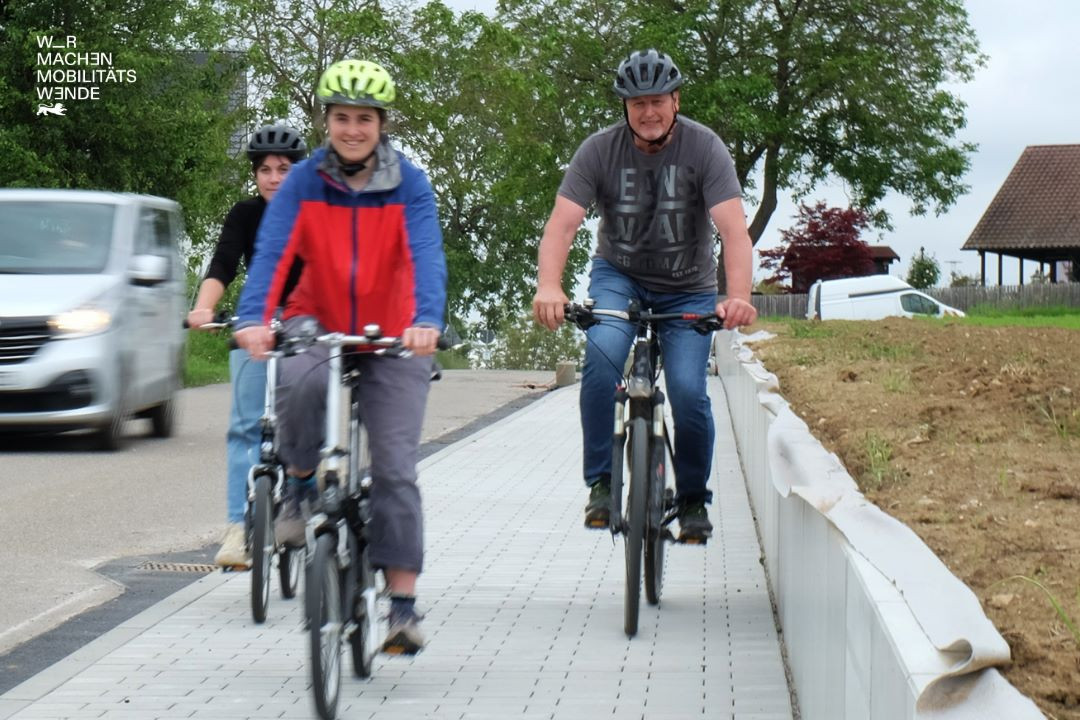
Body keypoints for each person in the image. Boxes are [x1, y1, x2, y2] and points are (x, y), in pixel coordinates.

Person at [234, 59, 447, 655]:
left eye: (364, 119)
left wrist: (428, 321)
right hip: (317, 318)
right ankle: (300, 487)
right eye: (341, 118)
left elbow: (428, 256)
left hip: (395, 329)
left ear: (381, 124)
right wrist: (254, 317)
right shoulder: (303, 181)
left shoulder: (409, 183)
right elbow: (274, 251)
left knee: (396, 469)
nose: (352, 129)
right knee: (297, 384)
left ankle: (400, 603)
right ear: (327, 121)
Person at [532, 49, 758, 543]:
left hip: (687, 289)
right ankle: (602, 485)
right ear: (625, 107)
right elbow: (563, 223)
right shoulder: (598, 150)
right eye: (638, 104)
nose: (649, 112)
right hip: (620, 277)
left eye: (658, 101)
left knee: (687, 390)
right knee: (603, 363)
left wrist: (737, 295)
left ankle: (694, 496)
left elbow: (734, 232)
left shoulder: (706, 149)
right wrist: (549, 285)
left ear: (676, 100)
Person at [187, 123, 308, 568]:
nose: (274, 178)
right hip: (254, 326)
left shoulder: (314, 214)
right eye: (265, 170)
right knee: (243, 428)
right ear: (255, 175)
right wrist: (204, 308)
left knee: (306, 420)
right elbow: (222, 263)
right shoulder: (244, 214)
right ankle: (237, 529)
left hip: (305, 329)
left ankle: (302, 500)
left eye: (284, 169)